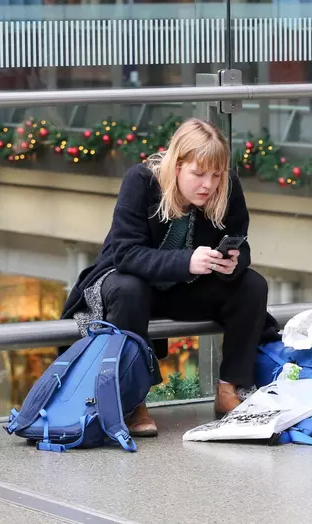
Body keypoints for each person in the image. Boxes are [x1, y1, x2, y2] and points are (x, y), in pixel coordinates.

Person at [60, 118, 280, 435]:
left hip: (186, 287)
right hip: (128, 281)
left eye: (216, 175)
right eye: (198, 174)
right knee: (129, 289)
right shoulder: (142, 180)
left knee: (252, 285)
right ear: (177, 166)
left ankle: (229, 388)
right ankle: (132, 400)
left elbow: (240, 244)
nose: (208, 184)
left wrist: (233, 262)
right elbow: (125, 254)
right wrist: (187, 261)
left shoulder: (227, 187)